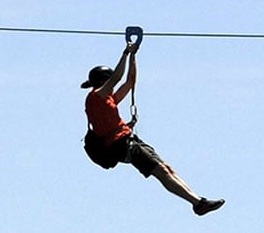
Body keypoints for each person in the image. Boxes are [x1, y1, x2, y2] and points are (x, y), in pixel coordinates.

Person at [82, 42, 224, 216]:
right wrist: (126, 52)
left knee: (166, 168)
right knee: (161, 171)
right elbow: (118, 78)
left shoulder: (107, 99)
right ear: (104, 81)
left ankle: (198, 201)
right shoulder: (95, 97)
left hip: (129, 141)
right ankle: (197, 203)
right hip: (122, 145)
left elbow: (129, 82)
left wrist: (133, 57)